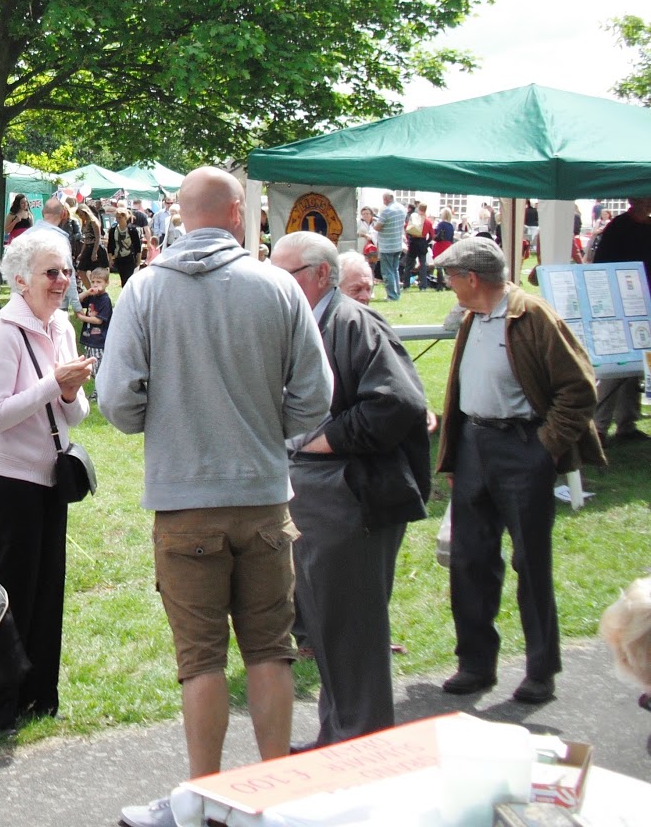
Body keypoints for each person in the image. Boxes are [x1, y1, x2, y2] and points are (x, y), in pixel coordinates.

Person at [97, 168, 330, 827]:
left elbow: (116, 400)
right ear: (235, 213)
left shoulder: (144, 289)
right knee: (270, 650)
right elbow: (315, 395)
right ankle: (272, 797)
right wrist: (266, 426)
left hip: (183, 500)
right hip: (260, 494)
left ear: (182, 213)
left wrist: (162, 421)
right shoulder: (277, 285)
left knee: (200, 661)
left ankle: (204, 799)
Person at [271, 233, 429, 746]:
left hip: (351, 496)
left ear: (320, 274)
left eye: (286, 274)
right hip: (323, 497)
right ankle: (335, 740)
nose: (276, 284)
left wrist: (323, 441)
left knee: (353, 632)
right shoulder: (316, 322)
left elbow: (399, 403)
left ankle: (360, 750)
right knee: (327, 628)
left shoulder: (352, 323)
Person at [434, 236, 602, 706]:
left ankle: (540, 671)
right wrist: (457, 453)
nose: (447, 283)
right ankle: (475, 664)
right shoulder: (473, 317)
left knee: (531, 561)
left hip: (521, 447)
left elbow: (579, 388)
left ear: (471, 278)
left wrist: (545, 448)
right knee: (469, 560)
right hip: (475, 447)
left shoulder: (533, 315)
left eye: (451, 276)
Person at [0, 228, 94, 724]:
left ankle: (40, 695)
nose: (62, 280)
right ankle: (0, 700)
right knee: (15, 589)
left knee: (48, 586)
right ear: (21, 279)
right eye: (51, 272)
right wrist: (52, 386)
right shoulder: (2, 331)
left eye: (66, 271)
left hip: (48, 475)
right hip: (6, 477)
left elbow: (75, 412)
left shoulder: (61, 325)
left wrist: (66, 393)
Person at [590, 198, 651, 442]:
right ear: (632, 201)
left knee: (639, 364)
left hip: (645, 303)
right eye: (644, 199)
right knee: (615, 364)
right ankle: (600, 425)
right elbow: (602, 265)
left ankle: (627, 422)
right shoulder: (618, 227)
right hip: (620, 302)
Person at [373, 192, 407, 301]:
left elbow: (377, 227)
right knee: (395, 270)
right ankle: (396, 293)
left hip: (387, 245)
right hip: (397, 243)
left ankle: (392, 295)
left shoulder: (386, 211)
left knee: (387, 272)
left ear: (386, 199)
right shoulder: (402, 208)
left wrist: (375, 223)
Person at [76, 270, 112, 367]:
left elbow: (98, 320)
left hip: (99, 340)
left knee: (97, 366)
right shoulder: (91, 296)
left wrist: (82, 318)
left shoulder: (105, 300)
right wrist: (87, 292)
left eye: (99, 282)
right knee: (89, 365)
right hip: (90, 338)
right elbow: (76, 300)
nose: (95, 285)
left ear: (106, 283)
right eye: (93, 282)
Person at [107, 208, 144, 288]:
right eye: (117, 217)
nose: (118, 219)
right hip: (119, 258)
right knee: (123, 278)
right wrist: (110, 259)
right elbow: (110, 245)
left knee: (128, 278)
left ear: (125, 217)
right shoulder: (113, 230)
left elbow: (137, 246)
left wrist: (138, 260)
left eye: (120, 217)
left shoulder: (132, 230)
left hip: (130, 257)